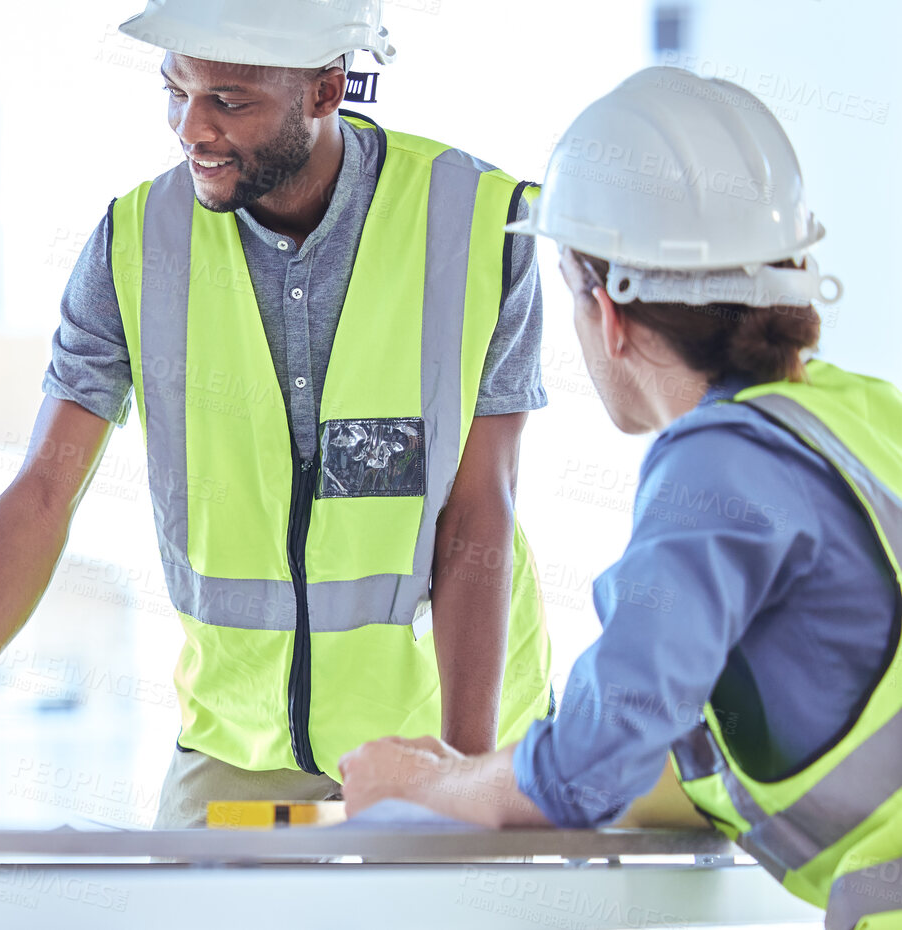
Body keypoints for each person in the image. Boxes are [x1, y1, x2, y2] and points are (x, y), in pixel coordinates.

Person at [0, 0, 555, 827]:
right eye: (174, 90)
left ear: (326, 91)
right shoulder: (136, 242)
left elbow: (478, 511)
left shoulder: (476, 224)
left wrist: (458, 770)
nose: (191, 127)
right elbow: (43, 492)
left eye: (229, 100)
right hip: (240, 746)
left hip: (451, 725)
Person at [339, 67, 901, 929]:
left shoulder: (715, 466)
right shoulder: (860, 414)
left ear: (605, 310)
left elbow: (591, 762)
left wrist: (424, 782)